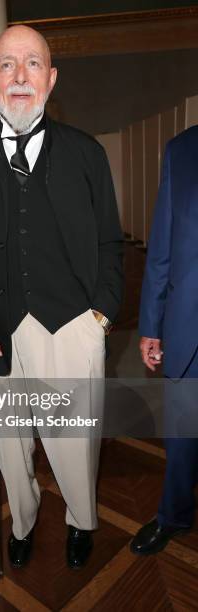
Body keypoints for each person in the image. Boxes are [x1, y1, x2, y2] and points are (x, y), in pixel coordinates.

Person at [0, 25, 123, 569]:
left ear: (51, 78)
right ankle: (23, 520)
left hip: (71, 327)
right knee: (10, 448)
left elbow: (111, 240)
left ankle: (82, 521)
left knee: (76, 446)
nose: (20, 75)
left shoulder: (88, 154)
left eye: (33, 63)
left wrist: (100, 318)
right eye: (7, 65)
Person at [131, 126, 198, 555]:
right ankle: (173, 515)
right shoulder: (183, 151)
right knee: (180, 437)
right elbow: (162, 248)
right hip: (188, 330)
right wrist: (151, 325)